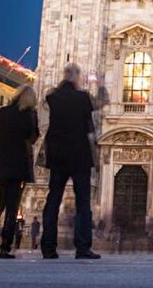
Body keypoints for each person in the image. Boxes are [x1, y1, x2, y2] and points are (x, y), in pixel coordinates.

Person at [40, 64, 101, 259]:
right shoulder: (82, 98)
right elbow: (96, 105)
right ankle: (82, 247)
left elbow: (46, 101)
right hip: (79, 155)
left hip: (57, 155)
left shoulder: (53, 97)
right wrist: (95, 85)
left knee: (53, 199)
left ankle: (48, 247)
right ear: (76, 78)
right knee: (83, 202)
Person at [0, 84, 39, 259]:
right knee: (12, 206)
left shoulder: (2, 112)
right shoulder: (29, 115)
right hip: (17, 165)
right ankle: (4, 246)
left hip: (1, 163)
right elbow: (33, 136)